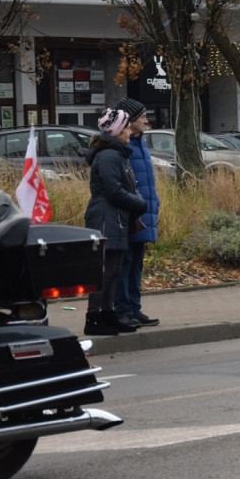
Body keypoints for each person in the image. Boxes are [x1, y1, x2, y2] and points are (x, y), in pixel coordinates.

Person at [83, 109, 148, 336]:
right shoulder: (110, 155)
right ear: (118, 130)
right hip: (106, 218)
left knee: (114, 269)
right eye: (127, 128)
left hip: (115, 217)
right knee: (105, 271)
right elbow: (114, 191)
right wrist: (139, 203)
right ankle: (94, 318)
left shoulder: (116, 154)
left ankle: (108, 315)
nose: (130, 132)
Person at [114, 98, 160, 328]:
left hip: (142, 213)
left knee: (136, 264)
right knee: (125, 263)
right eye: (142, 116)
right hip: (130, 214)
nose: (146, 120)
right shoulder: (122, 144)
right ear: (129, 120)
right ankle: (122, 310)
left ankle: (134, 308)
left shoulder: (140, 142)